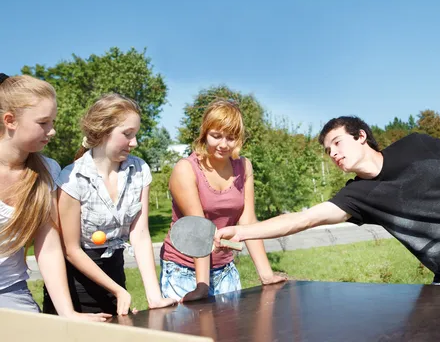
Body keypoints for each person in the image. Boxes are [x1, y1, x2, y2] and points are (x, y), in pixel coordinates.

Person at [216, 116, 440, 286]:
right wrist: (242, 233)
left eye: (337, 143)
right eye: (328, 151)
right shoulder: (356, 196)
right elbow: (302, 219)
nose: (333, 154)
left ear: (361, 136)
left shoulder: (415, 145)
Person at [43, 93, 176, 316]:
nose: (134, 142)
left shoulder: (140, 170)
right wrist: (118, 291)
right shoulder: (72, 179)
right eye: (127, 134)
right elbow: (71, 250)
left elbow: (141, 234)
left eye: (135, 134)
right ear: (103, 132)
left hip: (115, 276)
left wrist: (154, 296)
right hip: (76, 288)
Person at [0, 74, 109, 321]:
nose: (52, 130)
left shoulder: (48, 171)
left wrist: (68, 313)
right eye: (43, 123)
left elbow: (48, 247)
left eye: (53, 121)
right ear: (10, 121)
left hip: (11, 291)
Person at [160, 99, 285, 302]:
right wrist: (202, 287)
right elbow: (198, 230)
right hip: (184, 269)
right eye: (216, 136)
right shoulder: (185, 169)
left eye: (231, 138)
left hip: (224, 268)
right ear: (205, 134)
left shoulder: (244, 166)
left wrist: (266, 275)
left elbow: (248, 222)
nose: (223, 144)